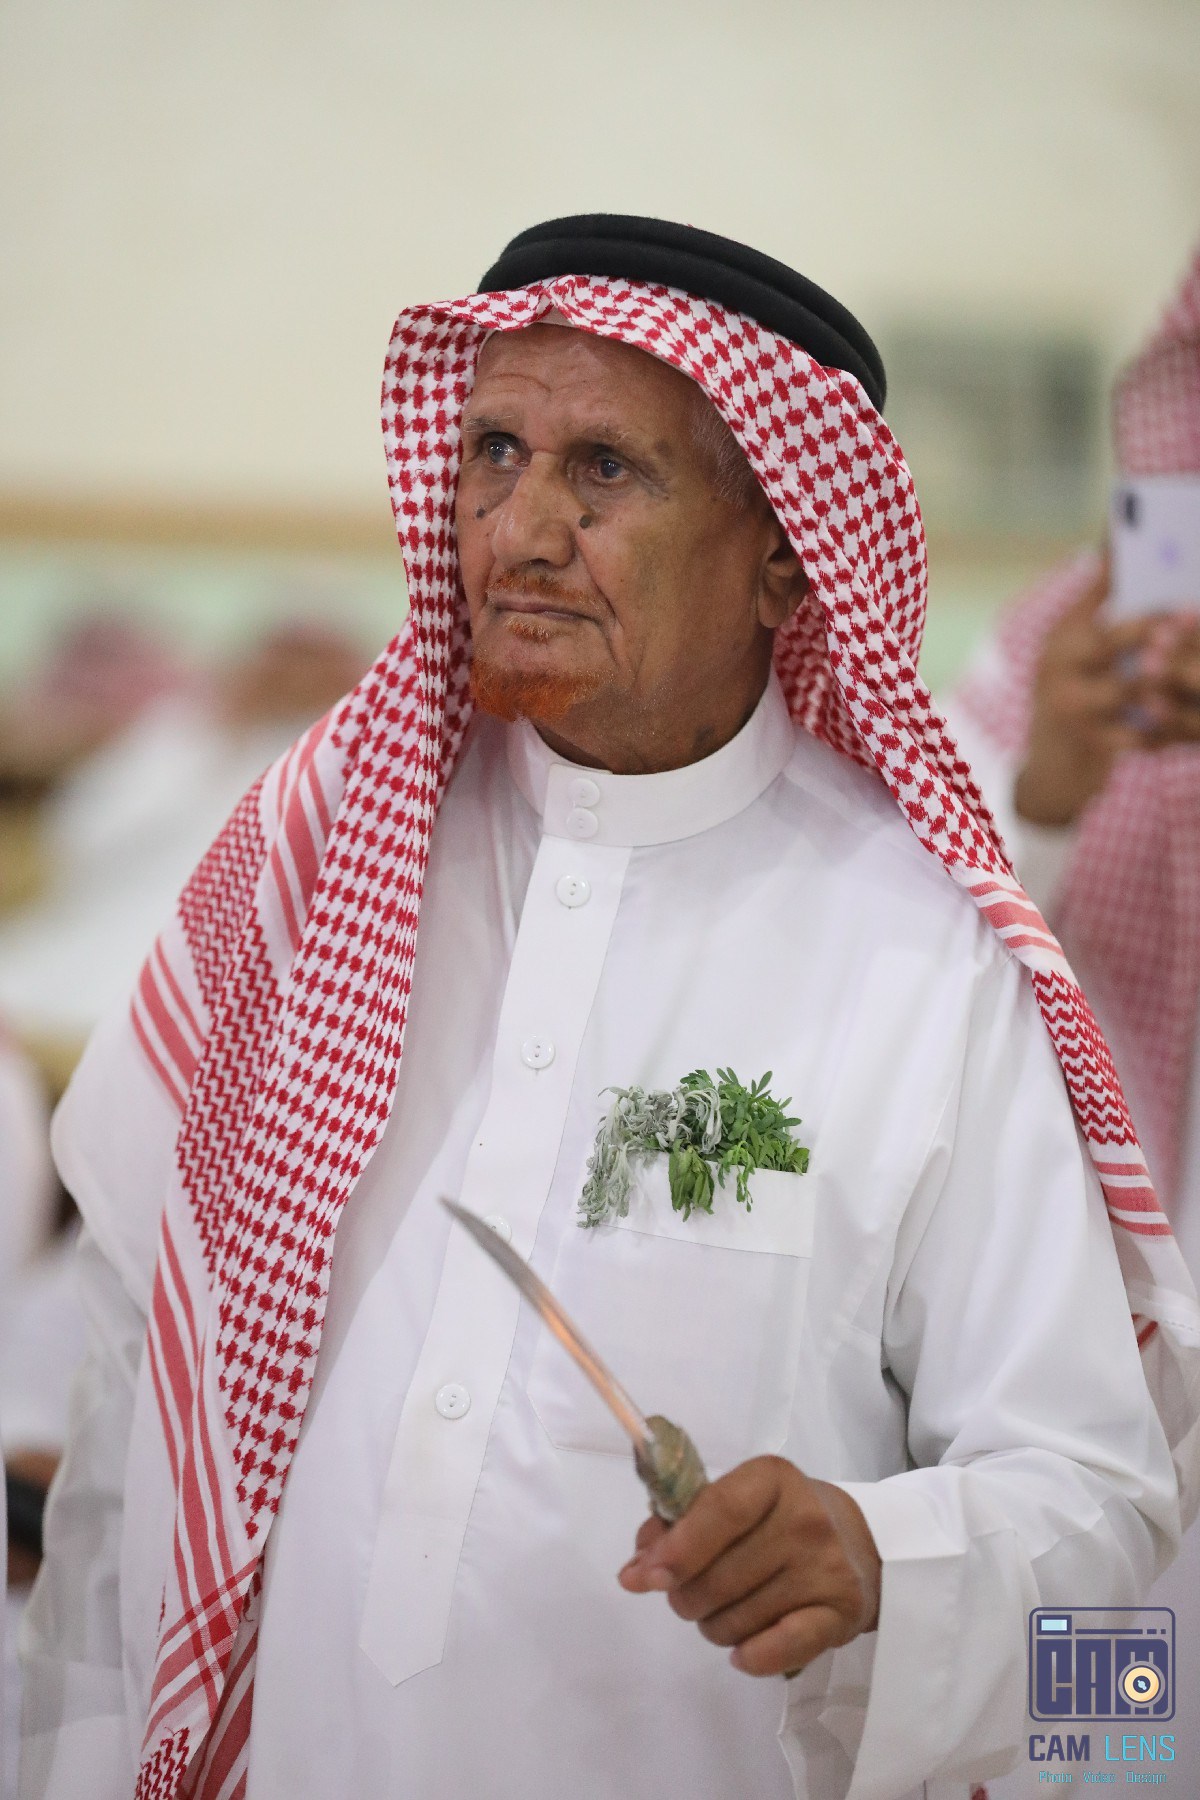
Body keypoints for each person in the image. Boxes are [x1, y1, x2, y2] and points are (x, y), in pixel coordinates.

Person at [19, 216, 1200, 1800]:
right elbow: (133, 1395)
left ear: (786, 553)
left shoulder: (923, 959)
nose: (520, 528)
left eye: (606, 472)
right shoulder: (316, 864)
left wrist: (883, 1556)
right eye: (495, 452)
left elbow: (1102, 1510)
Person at [946, 243, 1200, 1797]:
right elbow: (921, 938)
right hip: (1116, 1336)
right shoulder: (1065, 635)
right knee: (1105, 1723)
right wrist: (1050, 783)